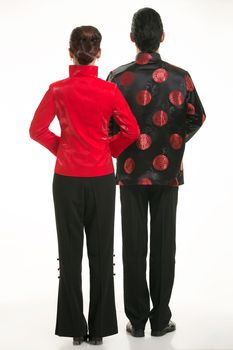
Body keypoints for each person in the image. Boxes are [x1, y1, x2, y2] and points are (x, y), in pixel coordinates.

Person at [29, 25, 140, 345]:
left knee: (70, 253)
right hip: (102, 179)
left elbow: (37, 130)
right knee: (103, 254)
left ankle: (74, 330)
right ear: (99, 53)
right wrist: (108, 149)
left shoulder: (58, 89)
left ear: (70, 52)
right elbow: (130, 130)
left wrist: (63, 148)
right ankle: (100, 330)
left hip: (65, 180)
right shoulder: (109, 91)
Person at [107, 8, 206, 338]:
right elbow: (197, 117)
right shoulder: (181, 77)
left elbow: (107, 125)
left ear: (133, 37)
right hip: (167, 175)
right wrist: (174, 140)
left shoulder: (117, 77)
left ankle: (136, 322)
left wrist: (126, 145)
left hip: (131, 173)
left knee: (134, 245)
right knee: (164, 246)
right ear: (162, 36)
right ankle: (160, 319)